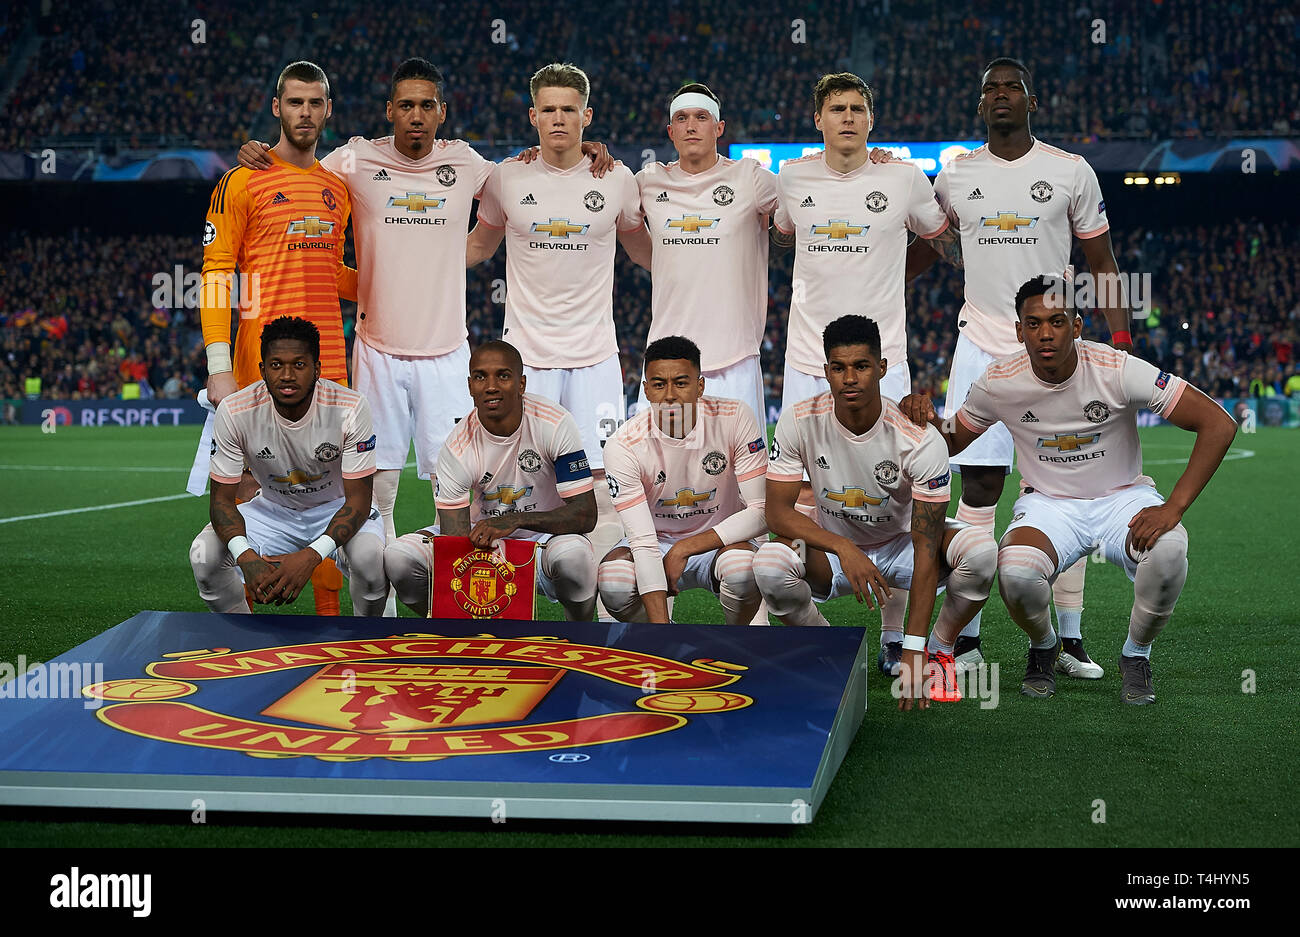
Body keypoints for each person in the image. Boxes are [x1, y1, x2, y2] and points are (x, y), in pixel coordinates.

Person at [236, 59, 613, 618]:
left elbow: (530, 175)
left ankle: (471, 604)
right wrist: (259, 152)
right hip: (378, 350)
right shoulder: (357, 159)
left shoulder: (467, 164)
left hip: (446, 354)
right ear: (390, 111)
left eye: (426, 106)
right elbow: (302, 161)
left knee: (462, 485)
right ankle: (378, 615)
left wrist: (583, 153)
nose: (416, 116)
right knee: (375, 490)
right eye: (405, 106)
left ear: (442, 112)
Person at [899, 277, 1237, 703]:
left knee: (1169, 551)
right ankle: (1044, 647)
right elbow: (951, 440)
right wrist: (921, 416)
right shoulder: (1000, 381)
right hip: (1048, 505)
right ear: (1019, 331)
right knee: (1017, 573)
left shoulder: (1117, 369)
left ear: (1076, 326)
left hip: (1123, 498)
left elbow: (1218, 424)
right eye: (1034, 323)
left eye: (1057, 322)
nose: (1045, 333)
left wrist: (1173, 507)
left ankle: (1136, 655)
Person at [906, 57, 1134, 676]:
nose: (1001, 96)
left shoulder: (1070, 171)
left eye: (1012, 88)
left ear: (1031, 101)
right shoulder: (955, 176)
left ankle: (1067, 640)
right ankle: (971, 637)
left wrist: (1118, 342)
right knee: (978, 486)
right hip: (980, 346)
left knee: (1067, 482)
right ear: (981, 105)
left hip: (1056, 350)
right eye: (990, 90)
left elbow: (1103, 262)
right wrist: (876, 290)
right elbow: (928, 250)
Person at [770, 72, 961, 672]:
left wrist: (893, 276)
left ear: (871, 120)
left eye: (857, 108)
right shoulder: (793, 178)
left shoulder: (902, 178)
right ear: (819, 120)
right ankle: (812, 627)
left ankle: (891, 637)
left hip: (886, 362)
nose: (848, 117)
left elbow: (942, 239)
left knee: (895, 500)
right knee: (793, 497)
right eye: (837, 109)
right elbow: (781, 238)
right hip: (806, 360)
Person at [466, 62, 652, 620]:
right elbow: (477, 248)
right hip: (526, 362)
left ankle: (596, 612)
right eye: (547, 109)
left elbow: (646, 253)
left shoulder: (617, 180)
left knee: (599, 489)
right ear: (532, 116)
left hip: (595, 359)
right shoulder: (505, 179)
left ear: (586, 116)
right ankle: (501, 609)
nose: (558, 118)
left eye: (569, 109)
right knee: (512, 486)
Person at [757, 315, 996, 707]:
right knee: (769, 564)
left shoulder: (918, 437)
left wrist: (914, 647)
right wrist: (842, 547)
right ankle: (828, 651)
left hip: (902, 545)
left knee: (982, 554)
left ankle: (939, 650)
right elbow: (777, 514)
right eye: (839, 368)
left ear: (881, 368)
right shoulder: (798, 419)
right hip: (834, 552)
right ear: (826, 372)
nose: (849, 378)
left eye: (861, 366)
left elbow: (925, 545)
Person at [196, 60, 358, 615]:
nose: (305, 113)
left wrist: (413, 280)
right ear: (277, 108)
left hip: (331, 370)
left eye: (315, 103)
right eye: (295, 103)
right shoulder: (242, 179)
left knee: (338, 508)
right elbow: (216, 272)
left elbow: (334, 273)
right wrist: (220, 365)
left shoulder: (338, 189)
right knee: (245, 508)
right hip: (259, 374)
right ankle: (249, 640)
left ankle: (333, 636)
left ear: (328, 109)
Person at [384, 340, 598, 620]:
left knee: (575, 558)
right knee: (399, 557)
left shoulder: (554, 423)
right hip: (483, 539)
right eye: (480, 377)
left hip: (545, 539)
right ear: (470, 386)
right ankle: (452, 627)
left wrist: (517, 520)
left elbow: (585, 514)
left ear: (521, 384)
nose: (491, 386)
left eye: (503, 376)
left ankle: (577, 634)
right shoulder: (457, 447)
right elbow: (456, 535)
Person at [190, 317, 387, 615]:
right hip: (272, 511)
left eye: (298, 364)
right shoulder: (235, 411)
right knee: (203, 556)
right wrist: (245, 556)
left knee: (370, 560)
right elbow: (220, 502)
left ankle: (366, 644)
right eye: (276, 365)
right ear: (262, 370)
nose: (286, 375)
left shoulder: (350, 407)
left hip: (337, 506)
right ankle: (240, 637)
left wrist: (310, 556)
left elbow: (359, 501)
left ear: (317, 368)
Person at [633, 81, 778, 426]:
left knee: (741, 474)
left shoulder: (750, 178)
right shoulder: (647, 182)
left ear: (719, 127)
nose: (691, 125)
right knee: (655, 470)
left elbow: (807, 195)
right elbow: (615, 216)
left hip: (735, 356)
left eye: (701, 116)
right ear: (671, 131)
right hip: (666, 356)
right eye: (681, 118)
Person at [597, 336, 769, 625]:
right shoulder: (623, 445)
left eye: (681, 382)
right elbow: (642, 540)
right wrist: (662, 636)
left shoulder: (735, 417)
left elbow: (763, 511)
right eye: (659, 384)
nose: (670, 395)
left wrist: (686, 547)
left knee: (742, 569)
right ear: (646, 390)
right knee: (614, 581)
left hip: (719, 541)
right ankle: (664, 637)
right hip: (655, 542)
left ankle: (737, 642)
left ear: (700, 386)